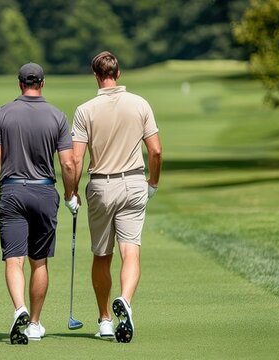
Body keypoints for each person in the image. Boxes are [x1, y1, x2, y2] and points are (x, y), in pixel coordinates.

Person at [70, 51, 162, 343]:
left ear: (96, 76)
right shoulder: (140, 104)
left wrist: (71, 191)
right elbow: (156, 151)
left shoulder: (85, 110)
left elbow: (75, 160)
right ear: (118, 73)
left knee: (102, 255)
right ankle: (125, 299)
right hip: (134, 182)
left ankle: (105, 320)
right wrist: (153, 184)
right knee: (130, 250)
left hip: (101, 185)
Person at [0, 63, 78, 344]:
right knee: (39, 262)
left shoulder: (1, 113)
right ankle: (35, 323)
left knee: (14, 259)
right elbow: (69, 162)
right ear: (42, 83)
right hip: (44, 192)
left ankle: (19, 309)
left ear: (19, 84)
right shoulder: (57, 116)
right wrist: (71, 194)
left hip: (12, 192)